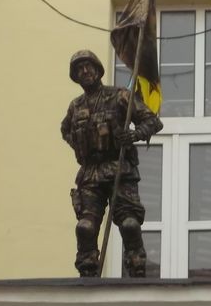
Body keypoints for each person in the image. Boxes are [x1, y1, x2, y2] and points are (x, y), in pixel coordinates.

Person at [60, 50, 163, 277]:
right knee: (85, 227)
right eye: (79, 69)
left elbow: (153, 122)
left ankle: (136, 267)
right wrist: (81, 147)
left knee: (129, 224)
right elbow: (65, 130)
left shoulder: (120, 96)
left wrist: (134, 135)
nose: (85, 71)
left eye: (88, 66)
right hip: (90, 174)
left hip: (119, 170)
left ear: (98, 70)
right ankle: (87, 271)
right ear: (75, 76)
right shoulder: (75, 106)